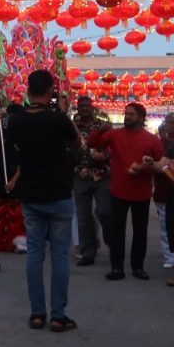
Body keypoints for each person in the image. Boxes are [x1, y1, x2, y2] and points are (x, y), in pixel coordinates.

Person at [7, 70, 79, 332]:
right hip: (58, 193)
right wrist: (61, 113)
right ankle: (59, 315)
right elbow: (76, 144)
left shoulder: (15, 121)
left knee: (34, 256)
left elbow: (14, 149)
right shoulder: (58, 120)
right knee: (59, 255)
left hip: (31, 194)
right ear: (51, 91)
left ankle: (37, 314)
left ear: (27, 91)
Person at [88, 102, 163, 281]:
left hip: (142, 192)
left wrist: (143, 168)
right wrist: (100, 129)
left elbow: (161, 164)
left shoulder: (152, 140)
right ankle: (117, 267)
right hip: (118, 191)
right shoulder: (115, 134)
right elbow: (92, 143)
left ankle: (138, 267)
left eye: (131, 114)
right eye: (126, 113)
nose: (127, 116)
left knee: (140, 231)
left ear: (141, 117)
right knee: (117, 231)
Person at [71, 95, 111, 268]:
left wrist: (104, 156)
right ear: (78, 107)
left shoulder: (102, 124)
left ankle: (112, 242)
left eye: (87, 105)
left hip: (101, 174)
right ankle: (88, 252)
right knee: (83, 216)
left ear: (92, 107)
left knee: (103, 212)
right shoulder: (73, 125)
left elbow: (111, 147)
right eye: (81, 106)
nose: (84, 108)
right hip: (80, 175)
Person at [154, 112, 174, 271]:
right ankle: (170, 256)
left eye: (171, 122)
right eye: (167, 122)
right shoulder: (160, 142)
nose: (167, 124)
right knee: (165, 226)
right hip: (164, 189)